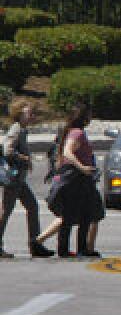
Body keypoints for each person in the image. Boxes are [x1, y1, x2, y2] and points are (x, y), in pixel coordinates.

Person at [0, 99, 54, 258]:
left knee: (32, 207)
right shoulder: (16, 130)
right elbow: (7, 150)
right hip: (14, 180)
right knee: (6, 211)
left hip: (19, 180)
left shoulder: (22, 130)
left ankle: (35, 243)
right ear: (19, 114)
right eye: (28, 112)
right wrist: (24, 158)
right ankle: (33, 243)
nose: (31, 115)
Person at [48, 104, 104, 258]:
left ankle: (74, 249)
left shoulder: (72, 131)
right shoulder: (77, 133)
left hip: (77, 178)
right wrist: (83, 167)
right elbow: (67, 151)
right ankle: (74, 250)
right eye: (89, 115)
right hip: (76, 179)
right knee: (81, 214)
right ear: (84, 117)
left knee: (77, 214)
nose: (91, 117)